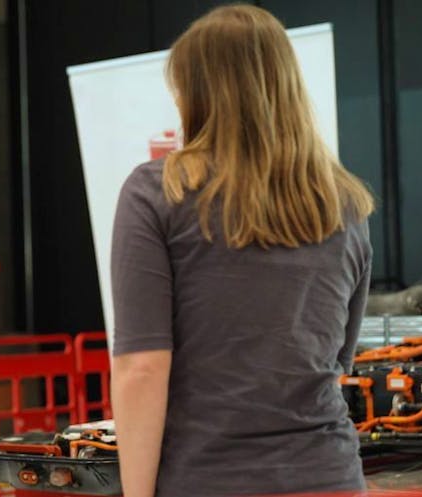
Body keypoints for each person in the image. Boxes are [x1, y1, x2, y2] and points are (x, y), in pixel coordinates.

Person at [109, 5, 374, 497]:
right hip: (329, 474)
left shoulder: (156, 192)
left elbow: (142, 368)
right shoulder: (345, 203)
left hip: (209, 478)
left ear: (194, 92)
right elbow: (337, 360)